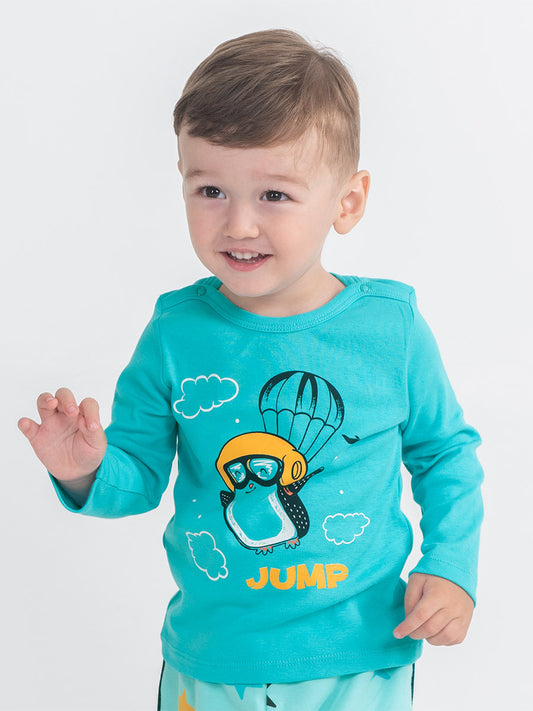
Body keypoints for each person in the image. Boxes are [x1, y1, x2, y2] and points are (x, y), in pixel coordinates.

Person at [18, 29, 483, 711]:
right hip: (213, 659)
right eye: (210, 189)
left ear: (347, 202)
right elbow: (136, 479)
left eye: (274, 195)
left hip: (359, 656)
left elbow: (445, 455)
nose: (237, 224)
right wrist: (83, 470)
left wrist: (451, 565)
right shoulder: (175, 332)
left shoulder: (391, 329)